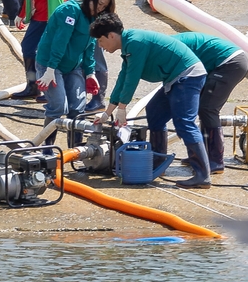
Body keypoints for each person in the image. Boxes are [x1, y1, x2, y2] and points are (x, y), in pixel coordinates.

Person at [90, 15, 211, 189]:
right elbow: (122, 78)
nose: (100, 46)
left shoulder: (135, 42)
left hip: (188, 75)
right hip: (173, 78)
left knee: (184, 122)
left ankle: (202, 175)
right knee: (154, 112)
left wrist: (122, 108)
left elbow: (132, 78)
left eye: (100, 41)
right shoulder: (128, 45)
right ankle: (158, 162)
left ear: (111, 36)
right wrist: (107, 112)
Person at [36, 0, 115, 130]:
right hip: (50, 64)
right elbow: (60, 41)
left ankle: (77, 148)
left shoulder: (94, 17)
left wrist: (90, 72)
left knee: (78, 108)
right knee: (58, 106)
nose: (100, 8)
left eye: (104, 7)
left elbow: (90, 45)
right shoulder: (70, 11)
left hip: (73, 65)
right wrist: (50, 68)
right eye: (99, 4)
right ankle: (46, 149)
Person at [174, 32, 248, 174]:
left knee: (207, 108)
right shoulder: (168, 45)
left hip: (230, 63)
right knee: (201, 107)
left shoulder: (171, 49)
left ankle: (216, 161)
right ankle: (202, 156)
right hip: (221, 63)